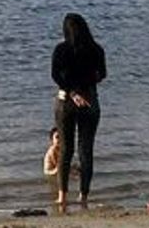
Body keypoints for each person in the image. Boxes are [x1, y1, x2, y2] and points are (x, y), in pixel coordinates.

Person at [50, 13, 107, 207]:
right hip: (90, 99)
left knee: (66, 149)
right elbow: (102, 74)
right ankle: (83, 196)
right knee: (86, 150)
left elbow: (55, 75)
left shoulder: (61, 50)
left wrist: (72, 91)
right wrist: (85, 86)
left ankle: (62, 196)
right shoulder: (96, 50)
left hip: (65, 100)